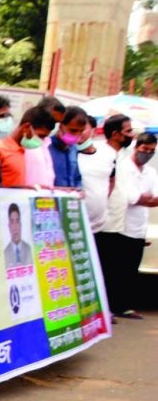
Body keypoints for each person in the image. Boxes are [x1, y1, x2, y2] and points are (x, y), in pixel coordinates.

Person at [78, 113, 135, 321]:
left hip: (116, 222)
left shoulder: (123, 155)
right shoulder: (100, 153)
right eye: (128, 131)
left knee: (111, 268)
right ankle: (98, 311)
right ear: (115, 134)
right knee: (99, 268)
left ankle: (106, 309)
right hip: (99, 222)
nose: (132, 134)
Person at [111, 132, 158, 319]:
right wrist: (142, 198)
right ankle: (112, 306)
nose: (147, 153)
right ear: (137, 147)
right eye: (144, 149)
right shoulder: (124, 167)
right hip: (122, 225)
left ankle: (124, 306)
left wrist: (142, 198)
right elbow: (130, 197)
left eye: (151, 151)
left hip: (139, 227)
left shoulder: (150, 172)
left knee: (131, 270)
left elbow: (154, 198)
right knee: (117, 269)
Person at [0, 106, 55, 187]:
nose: (42, 142)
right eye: (40, 136)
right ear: (26, 127)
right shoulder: (0, 149)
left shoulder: (24, 150)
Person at [23, 95, 64, 187]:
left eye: (57, 123)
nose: (54, 126)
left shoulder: (47, 142)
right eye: (53, 121)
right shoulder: (26, 143)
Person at [49, 105, 86, 188]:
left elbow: (77, 177)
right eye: (73, 130)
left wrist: (79, 190)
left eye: (81, 131)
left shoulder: (74, 149)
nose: (77, 135)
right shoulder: (46, 147)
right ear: (60, 126)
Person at [3, 203, 32, 268]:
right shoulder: (4, 254)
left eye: (17, 221)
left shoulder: (29, 250)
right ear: (9, 226)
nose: (15, 227)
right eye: (12, 222)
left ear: (20, 224)